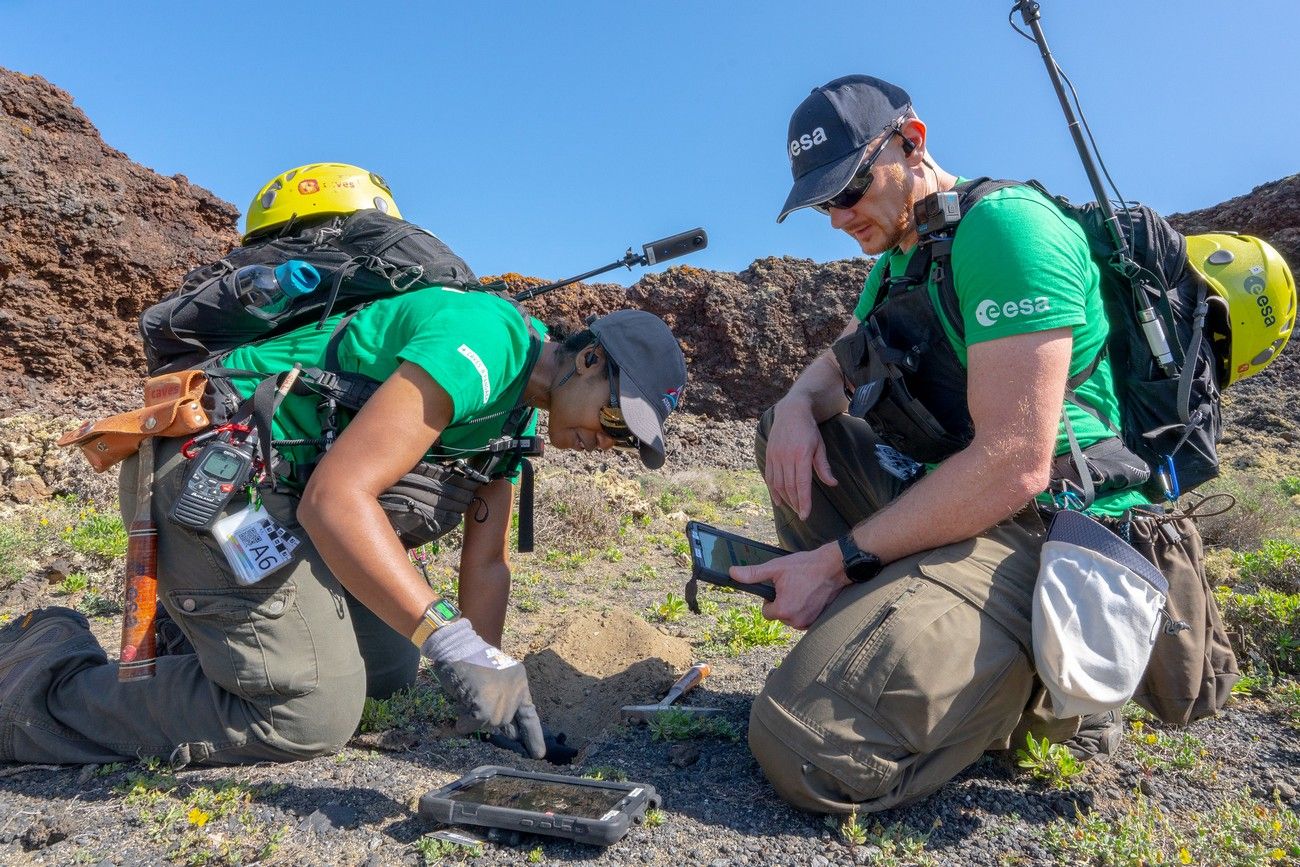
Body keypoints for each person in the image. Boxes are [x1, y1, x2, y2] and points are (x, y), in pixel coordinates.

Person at [0, 165, 688, 766]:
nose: (610, 442)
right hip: (210, 474)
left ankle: (212, 647)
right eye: (614, 418)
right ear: (590, 357)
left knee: (387, 669)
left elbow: (486, 564)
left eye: (629, 441)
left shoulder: (514, 413)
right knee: (308, 711)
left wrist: (487, 695)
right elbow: (336, 498)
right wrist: (453, 640)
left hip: (272, 502)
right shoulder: (485, 340)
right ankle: (39, 682)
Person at [733, 75, 1233, 813]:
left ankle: (1048, 701)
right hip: (965, 503)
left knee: (804, 744)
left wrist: (837, 562)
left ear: (913, 142)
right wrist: (801, 405)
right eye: (821, 202)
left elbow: (1015, 463)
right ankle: (906, 637)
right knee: (788, 430)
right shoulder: (900, 262)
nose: (838, 217)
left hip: (1049, 526)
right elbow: (834, 367)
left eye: (850, 188)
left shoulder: (1004, 230)